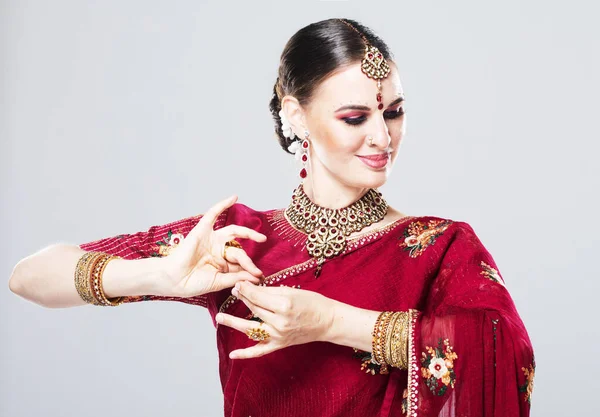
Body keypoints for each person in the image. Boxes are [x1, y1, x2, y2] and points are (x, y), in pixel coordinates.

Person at [9, 18, 535, 417]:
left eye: (393, 111)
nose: (382, 137)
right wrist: (158, 274)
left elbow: (502, 353)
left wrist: (331, 322)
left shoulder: (440, 247)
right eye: (355, 117)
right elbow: (28, 277)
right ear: (294, 116)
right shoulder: (239, 240)